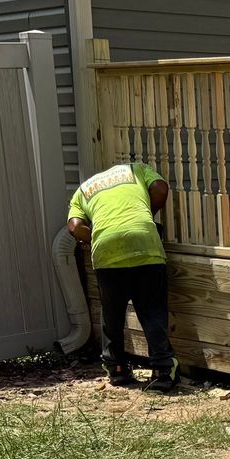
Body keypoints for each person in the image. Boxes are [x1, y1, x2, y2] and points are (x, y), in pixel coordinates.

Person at [68, 161, 177, 392]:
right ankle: (161, 371)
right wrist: (149, 213)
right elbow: (160, 188)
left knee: (112, 313)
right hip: (144, 242)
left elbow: (75, 227)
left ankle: (116, 368)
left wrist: (97, 237)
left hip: (107, 253)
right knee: (151, 310)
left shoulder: (85, 188)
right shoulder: (136, 169)